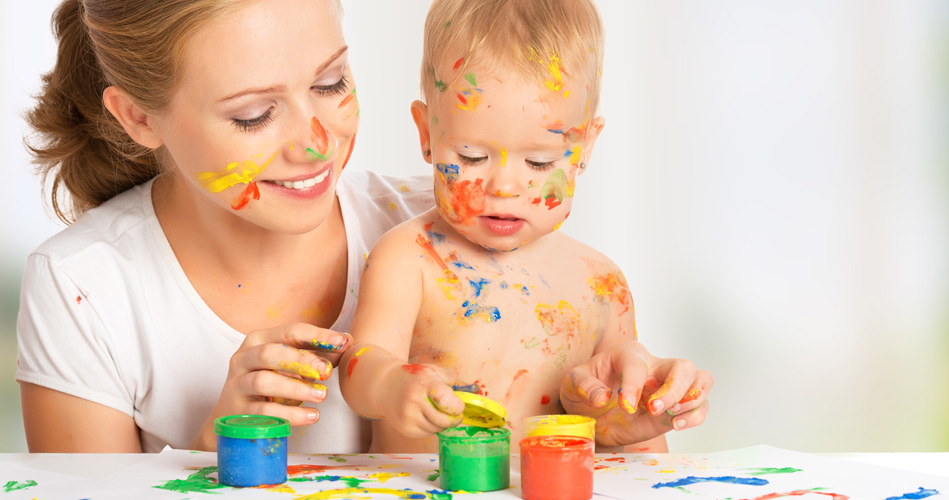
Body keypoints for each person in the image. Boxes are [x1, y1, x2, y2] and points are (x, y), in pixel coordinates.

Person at [16, 0, 706, 454]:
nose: (316, 144)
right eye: (254, 115)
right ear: (138, 117)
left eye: (331, 83)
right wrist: (217, 446)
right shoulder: (87, 287)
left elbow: (593, 447)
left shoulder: (458, 231)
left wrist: (624, 411)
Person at [339, 0, 712, 453]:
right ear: (427, 135)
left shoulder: (601, 285)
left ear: (585, 147)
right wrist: (394, 385)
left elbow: (639, 460)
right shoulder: (408, 257)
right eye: (471, 156)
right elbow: (359, 368)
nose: (505, 186)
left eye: (539, 161)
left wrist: (635, 416)